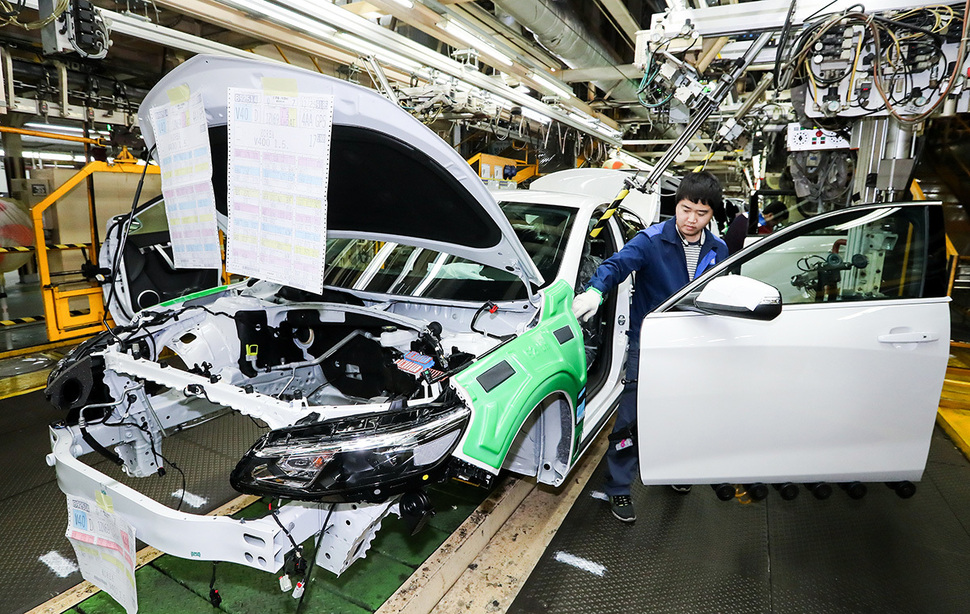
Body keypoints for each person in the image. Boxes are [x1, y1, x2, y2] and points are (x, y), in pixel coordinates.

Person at [572, 171, 729, 523]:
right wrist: (596, 291)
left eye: (701, 214)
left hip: (693, 345)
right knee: (631, 417)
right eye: (686, 209)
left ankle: (671, 471)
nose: (691, 219)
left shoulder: (718, 250)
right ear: (677, 206)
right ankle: (618, 487)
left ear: (711, 216)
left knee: (682, 412)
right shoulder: (651, 240)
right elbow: (615, 265)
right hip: (651, 343)